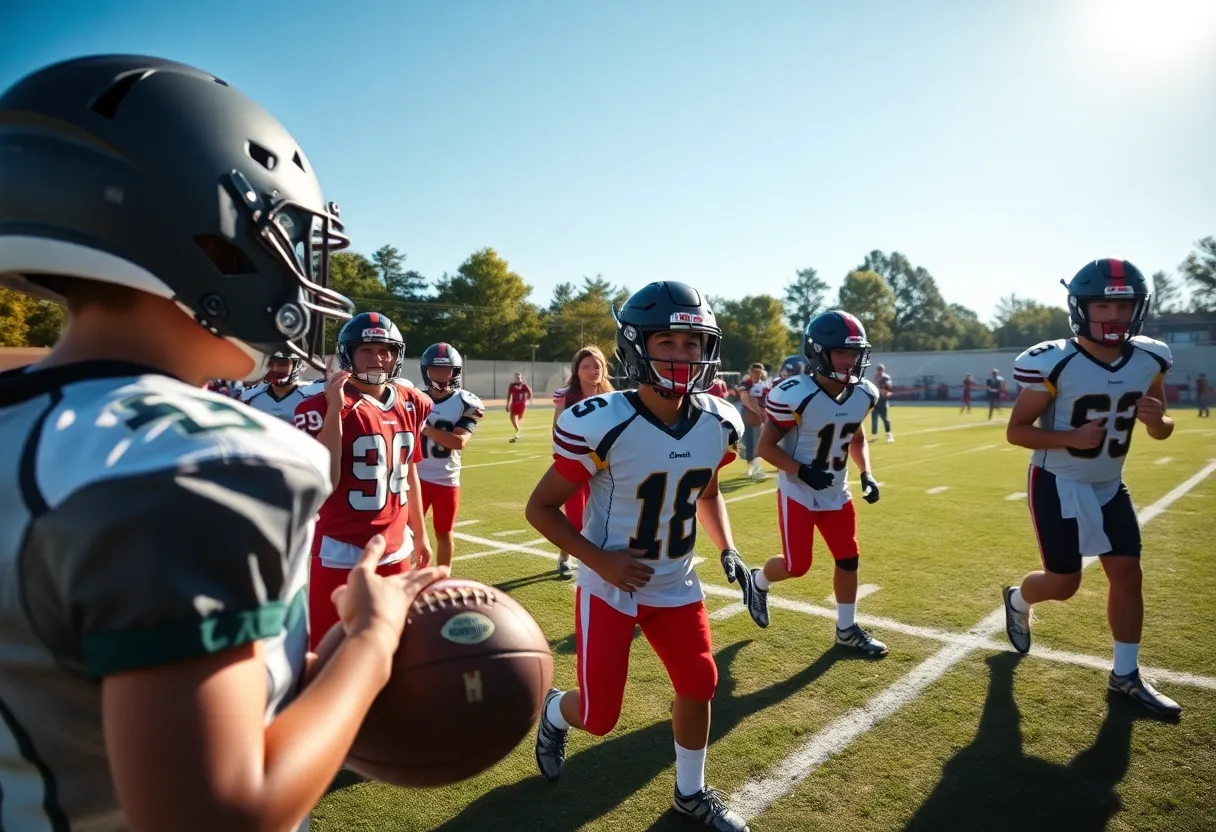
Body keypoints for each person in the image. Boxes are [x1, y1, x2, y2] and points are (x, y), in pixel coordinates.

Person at [0, 54, 446, 831]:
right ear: (212, 241)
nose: (300, 272)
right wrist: (370, 648)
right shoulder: (198, 460)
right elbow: (220, 815)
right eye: (284, 237)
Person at [526, 282, 752, 832]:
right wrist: (598, 561)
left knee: (700, 682)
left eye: (693, 343)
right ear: (636, 346)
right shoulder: (604, 421)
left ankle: (690, 793)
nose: (682, 355)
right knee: (599, 718)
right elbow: (541, 508)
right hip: (611, 586)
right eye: (668, 342)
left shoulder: (719, 421)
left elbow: (707, 491)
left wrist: (728, 548)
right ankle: (557, 711)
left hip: (676, 583)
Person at [1003, 258, 1179, 717]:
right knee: (1063, 585)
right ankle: (1018, 599)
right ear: (1081, 308)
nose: (1115, 317)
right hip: (1058, 481)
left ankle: (1126, 675)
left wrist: (1159, 421)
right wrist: (1068, 438)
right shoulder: (1056, 361)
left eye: (1124, 307)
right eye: (1104, 305)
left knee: (1128, 574)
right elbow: (1018, 431)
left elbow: (1161, 426)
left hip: (1109, 483)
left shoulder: (1150, 357)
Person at [748, 312, 887, 656]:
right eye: (842, 353)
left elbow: (856, 438)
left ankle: (846, 628)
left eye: (855, 354)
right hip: (798, 489)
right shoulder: (794, 394)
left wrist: (867, 472)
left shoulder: (862, 393)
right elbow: (765, 448)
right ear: (819, 353)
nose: (851, 361)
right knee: (798, 566)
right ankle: (758, 580)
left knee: (848, 557)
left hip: (837, 490)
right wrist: (802, 470)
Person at [295, 311, 434, 650]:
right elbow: (327, 479)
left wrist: (421, 533)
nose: (379, 358)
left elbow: (410, 470)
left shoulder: (412, 401)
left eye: (385, 349)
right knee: (330, 649)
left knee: (396, 646)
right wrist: (333, 411)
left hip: (397, 543)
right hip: (342, 549)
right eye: (367, 350)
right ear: (348, 354)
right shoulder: (318, 407)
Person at [416, 342, 485, 567]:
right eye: (435, 369)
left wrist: (423, 427)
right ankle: (410, 577)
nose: (440, 374)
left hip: (446, 479)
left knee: (444, 532)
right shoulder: (414, 397)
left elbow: (458, 441)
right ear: (426, 371)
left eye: (446, 369)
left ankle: (442, 578)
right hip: (415, 478)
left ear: (455, 372)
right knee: (408, 532)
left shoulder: (466, 402)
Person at [551, 346, 614, 577]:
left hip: (605, 466)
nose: (592, 370)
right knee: (576, 517)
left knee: (603, 516)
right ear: (577, 370)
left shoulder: (612, 397)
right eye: (586, 366)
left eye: (597, 365)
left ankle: (599, 558)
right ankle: (565, 555)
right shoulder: (567, 396)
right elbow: (557, 428)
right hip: (576, 461)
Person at [240, 350, 323, 422]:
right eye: (270, 363)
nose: (275, 368)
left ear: (297, 365)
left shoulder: (312, 396)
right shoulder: (248, 397)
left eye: (282, 363)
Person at [735, 363, 767, 479]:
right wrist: (757, 411)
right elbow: (745, 399)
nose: (757, 374)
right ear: (750, 372)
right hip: (750, 414)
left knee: (758, 441)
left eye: (759, 372)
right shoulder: (746, 383)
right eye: (754, 372)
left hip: (761, 413)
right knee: (750, 441)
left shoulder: (764, 384)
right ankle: (752, 468)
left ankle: (755, 468)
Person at [871, 362, 894, 443]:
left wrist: (881, 390)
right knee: (874, 418)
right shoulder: (875, 377)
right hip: (875, 400)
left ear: (883, 370)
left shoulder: (886, 378)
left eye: (880, 370)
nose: (879, 371)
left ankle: (889, 435)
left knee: (885, 419)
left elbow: (887, 389)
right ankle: (874, 436)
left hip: (883, 401)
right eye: (878, 369)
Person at [507, 371, 532, 441]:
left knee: (518, 418)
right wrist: (507, 404)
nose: (517, 378)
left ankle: (517, 430)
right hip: (515, 404)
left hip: (521, 404)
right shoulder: (512, 385)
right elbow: (509, 395)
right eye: (516, 377)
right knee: (513, 417)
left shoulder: (524, 385)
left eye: (519, 377)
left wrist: (527, 400)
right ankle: (517, 430)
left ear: (521, 377)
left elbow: (529, 393)